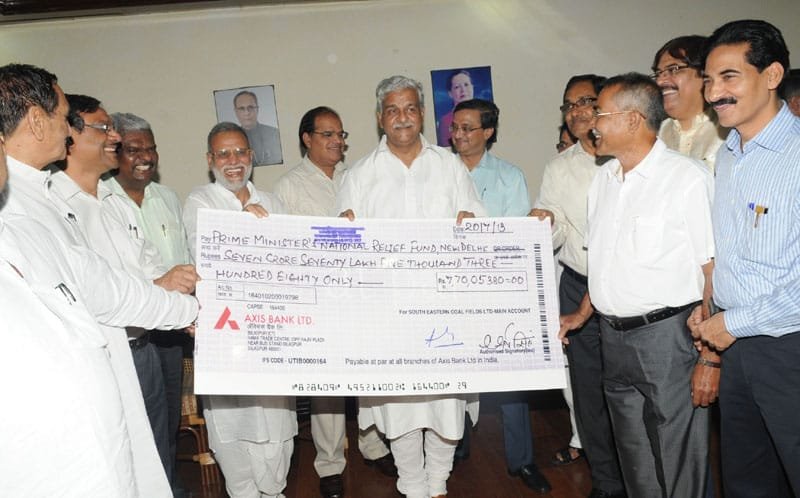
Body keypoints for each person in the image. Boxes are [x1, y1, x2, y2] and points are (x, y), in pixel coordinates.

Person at [0, 63, 198, 497]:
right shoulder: (19, 206)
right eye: (62, 116)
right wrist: (188, 310)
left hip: (104, 380)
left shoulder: (39, 195)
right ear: (36, 120)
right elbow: (103, 288)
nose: (68, 131)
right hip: (56, 422)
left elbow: (105, 279)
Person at [561, 72, 715, 497]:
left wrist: (709, 357)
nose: (592, 122)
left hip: (666, 338)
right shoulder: (604, 181)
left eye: (600, 113)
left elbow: (711, 269)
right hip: (612, 337)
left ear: (632, 120)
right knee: (635, 458)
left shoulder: (686, 178)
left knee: (678, 458)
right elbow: (605, 263)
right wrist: (582, 313)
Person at [337, 75, 485, 498]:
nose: (402, 117)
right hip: (388, 315)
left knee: (444, 404)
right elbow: (342, 248)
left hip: (444, 310)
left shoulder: (448, 165)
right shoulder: (361, 174)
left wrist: (472, 224)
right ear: (380, 118)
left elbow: (477, 219)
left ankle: (438, 484)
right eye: (392, 109)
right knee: (400, 408)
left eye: (410, 108)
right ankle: (412, 487)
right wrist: (343, 234)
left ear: (422, 114)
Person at [689, 19, 800, 497]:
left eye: (729, 77)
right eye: (710, 80)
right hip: (736, 345)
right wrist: (713, 308)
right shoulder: (729, 155)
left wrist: (734, 323)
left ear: (772, 75)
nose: (714, 93)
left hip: (787, 348)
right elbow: (730, 251)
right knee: (748, 478)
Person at [273, 106, 396, 498]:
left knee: (368, 375)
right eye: (327, 134)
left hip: (362, 293)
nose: (336, 141)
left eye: (340, 134)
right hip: (320, 298)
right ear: (306, 139)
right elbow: (290, 245)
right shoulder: (289, 186)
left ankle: (373, 445)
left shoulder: (356, 177)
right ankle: (329, 463)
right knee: (327, 386)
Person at [183, 121, 296, 498]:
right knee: (233, 432)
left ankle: (274, 491)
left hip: (273, 331)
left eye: (240, 152)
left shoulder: (274, 201)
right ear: (210, 159)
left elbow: (290, 262)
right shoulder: (200, 201)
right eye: (224, 154)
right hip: (227, 334)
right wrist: (250, 225)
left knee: (277, 433)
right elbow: (212, 256)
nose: (233, 161)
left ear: (251, 156)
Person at [531, 74, 626, 498]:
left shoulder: (627, 158)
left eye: (585, 101)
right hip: (577, 285)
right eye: (568, 105)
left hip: (626, 289)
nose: (576, 111)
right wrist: (542, 225)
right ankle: (606, 484)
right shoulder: (558, 166)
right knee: (587, 394)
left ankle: (639, 478)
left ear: (606, 105)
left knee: (626, 391)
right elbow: (554, 233)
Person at [450, 98, 550, 493]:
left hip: (497, 291)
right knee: (453, 373)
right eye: (455, 127)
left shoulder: (509, 177)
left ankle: (522, 460)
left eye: (467, 128)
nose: (458, 135)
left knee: (511, 379)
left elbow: (517, 239)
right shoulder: (439, 172)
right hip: (451, 290)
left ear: (488, 132)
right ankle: (455, 447)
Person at [109, 111, 193, 497]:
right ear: (115, 151)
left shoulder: (169, 198)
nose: (144, 156)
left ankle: (170, 487)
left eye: (150, 148)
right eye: (133, 149)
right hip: (130, 335)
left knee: (168, 422)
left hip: (172, 332)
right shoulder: (102, 200)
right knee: (136, 427)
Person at [651, 35, 726, 171]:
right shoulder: (659, 133)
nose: (660, 81)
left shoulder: (729, 129)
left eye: (673, 69)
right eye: (658, 73)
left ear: (705, 73)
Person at [233, 90, 282, 165]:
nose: (247, 113)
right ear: (236, 112)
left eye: (251, 107)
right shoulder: (232, 138)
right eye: (242, 109)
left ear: (257, 109)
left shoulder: (274, 133)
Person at [436, 69, 474, 147]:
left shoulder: (484, 115)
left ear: (472, 87)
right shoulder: (444, 122)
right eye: (457, 87)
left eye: (466, 85)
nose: (463, 90)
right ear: (450, 93)